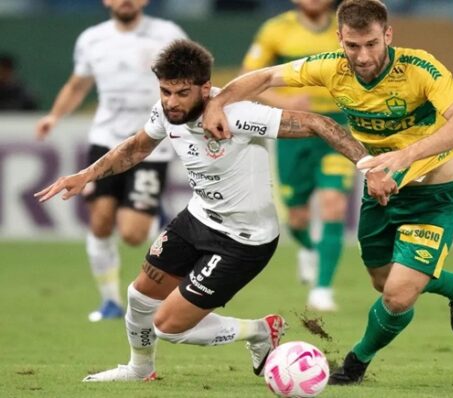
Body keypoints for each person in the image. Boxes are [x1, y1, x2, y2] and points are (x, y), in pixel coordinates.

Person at [35, 39, 371, 382]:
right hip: (198, 219)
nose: (171, 101)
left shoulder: (238, 113)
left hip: (245, 240)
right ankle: (140, 369)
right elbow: (138, 147)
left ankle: (258, 331)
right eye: (165, 91)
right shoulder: (165, 113)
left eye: (181, 93)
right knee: (139, 297)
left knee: (168, 326)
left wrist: (369, 165)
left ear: (205, 88)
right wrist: (86, 175)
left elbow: (318, 124)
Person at [203, 0, 453, 385]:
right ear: (340, 39)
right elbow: (265, 78)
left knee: (398, 297)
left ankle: (355, 363)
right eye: (352, 46)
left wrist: (401, 158)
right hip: (381, 191)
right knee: (383, 282)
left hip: (434, 196)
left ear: (388, 35)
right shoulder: (331, 67)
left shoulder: (420, 68)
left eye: (371, 43)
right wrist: (218, 101)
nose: (363, 56)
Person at [35, 0, 187, 322]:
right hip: (105, 141)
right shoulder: (92, 38)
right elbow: (78, 84)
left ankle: (162, 225)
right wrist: (54, 116)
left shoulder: (167, 34)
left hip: (150, 144)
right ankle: (110, 302)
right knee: (101, 221)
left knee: (133, 234)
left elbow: (191, 79)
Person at [241, 0, 354, 311]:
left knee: (334, 204)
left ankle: (322, 289)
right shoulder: (276, 30)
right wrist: (282, 100)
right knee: (296, 216)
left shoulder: (346, 30)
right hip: (292, 130)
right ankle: (309, 248)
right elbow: (249, 79)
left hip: (336, 128)